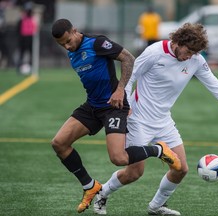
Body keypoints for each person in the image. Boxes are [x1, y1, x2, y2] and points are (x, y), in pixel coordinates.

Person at [94, 23, 218, 215]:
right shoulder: (154, 52)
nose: (189, 56)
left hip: (164, 121)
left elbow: (215, 86)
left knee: (181, 168)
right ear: (178, 41)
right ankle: (101, 193)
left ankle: (155, 207)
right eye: (188, 51)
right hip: (138, 120)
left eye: (194, 53)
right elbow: (130, 76)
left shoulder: (196, 59)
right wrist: (126, 104)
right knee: (134, 173)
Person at [50, 19, 181, 213]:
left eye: (68, 41)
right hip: (92, 106)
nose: (67, 46)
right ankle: (89, 186)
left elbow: (128, 58)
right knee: (59, 143)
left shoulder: (96, 43)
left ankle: (158, 150)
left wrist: (120, 90)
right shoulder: (71, 51)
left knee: (119, 158)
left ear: (75, 31)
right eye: (62, 45)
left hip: (114, 105)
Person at [16, 6, 37, 74]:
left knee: (28, 54)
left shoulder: (27, 19)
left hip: (27, 38)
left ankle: (30, 67)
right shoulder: (26, 19)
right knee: (25, 54)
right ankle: (20, 68)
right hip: (26, 38)